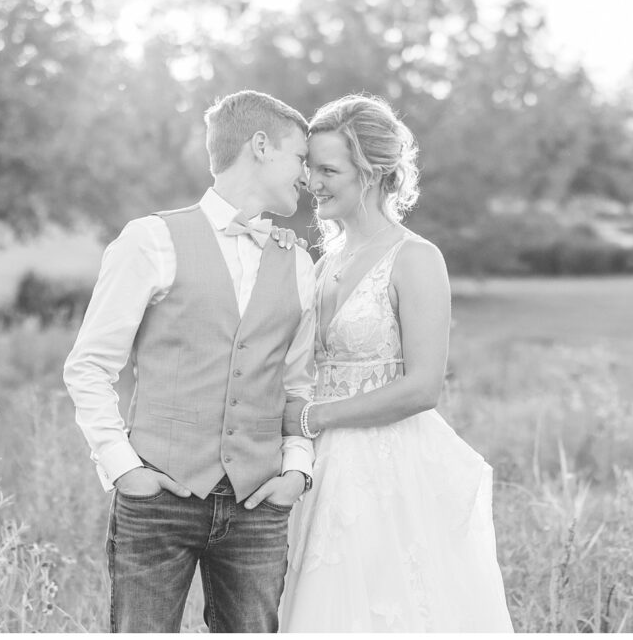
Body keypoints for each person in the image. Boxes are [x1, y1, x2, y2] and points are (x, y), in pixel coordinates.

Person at [64, 90, 318, 633]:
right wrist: (122, 467)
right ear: (260, 145)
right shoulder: (151, 240)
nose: (308, 173)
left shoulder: (298, 263)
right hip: (158, 498)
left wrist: (297, 469)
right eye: (300, 156)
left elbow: (299, 385)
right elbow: (89, 365)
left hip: (259, 505)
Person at [278, 94, 514, 632]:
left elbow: (423, 386)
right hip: (314, 465)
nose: (311, 181)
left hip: (387, 467)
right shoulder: (322, 262)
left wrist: (315, 418)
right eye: (309, 167)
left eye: (327, 169)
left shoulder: (416, 258)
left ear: (372, 173)